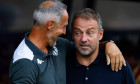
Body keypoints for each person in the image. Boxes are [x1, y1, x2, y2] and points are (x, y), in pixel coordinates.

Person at [9, 1, 125, 84]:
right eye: (63, 27)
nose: (65, 32)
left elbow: (86, 46)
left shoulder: (58, 44)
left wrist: (109, 45)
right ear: (50, 25)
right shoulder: (24, 62)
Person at [66, 8, 136, 84]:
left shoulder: (119, 65)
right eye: (78, 33)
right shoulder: (61, 64)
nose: (83, 39)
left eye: (90, 33)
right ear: (72, 35)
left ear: (100, 34)